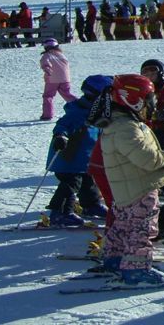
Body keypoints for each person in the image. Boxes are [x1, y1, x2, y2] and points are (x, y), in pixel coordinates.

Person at [99, 74, 164, 285]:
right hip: (139, 187)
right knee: (141, 228)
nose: (150, 107)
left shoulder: (120, 123)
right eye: (149, 102)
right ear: (133, 100)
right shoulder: (125, 128)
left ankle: (114, 257)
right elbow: (148, 160)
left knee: (124, 224)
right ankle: (136, 268)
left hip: (129, 186)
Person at [44, 75, 113, 227]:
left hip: (84, 160)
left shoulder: (97, 112)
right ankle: (60, 213)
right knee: (71, 184)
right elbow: (62, 125)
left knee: (88, 182)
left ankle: (91, 205)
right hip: (68, 158)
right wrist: (60, 136)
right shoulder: (78, 112)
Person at [39, 38, 78, 121]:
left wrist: (47, 70)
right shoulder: (61, 55)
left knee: (48, 96)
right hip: (65, 79)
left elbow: (46, 64)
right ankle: (81, 106)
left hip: (52, 80)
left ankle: (47, 115)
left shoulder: (47, 55)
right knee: (67, 94)